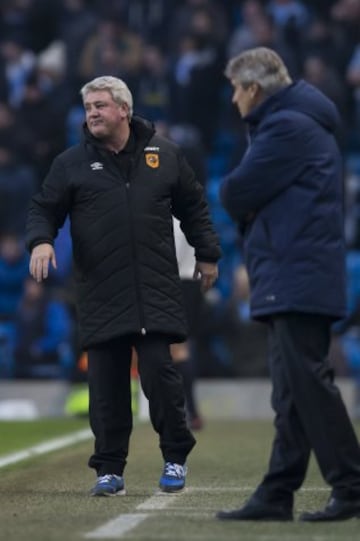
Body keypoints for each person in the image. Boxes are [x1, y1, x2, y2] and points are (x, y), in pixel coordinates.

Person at [26, 75, 221, 497]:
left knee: (159, 375)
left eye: (100, 105)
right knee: (106, 385)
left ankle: (174, 456)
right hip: (100, 291)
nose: (92, 113)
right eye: (88, 106)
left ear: (124, 110)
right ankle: (109, 470)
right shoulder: (70, 164)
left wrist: (208, 253)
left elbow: (194, 206)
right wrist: (41, 241)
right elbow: (43, 208)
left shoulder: (165, 155)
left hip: (155, 287)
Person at [216, 47, 360, 522]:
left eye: (237, 89)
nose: (233, 98)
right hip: (293, 270)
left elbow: (235, 191)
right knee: (291, 391)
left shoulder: (287, 127)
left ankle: (352, 484)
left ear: (254, 90)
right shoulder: (296, 122)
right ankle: (278, 491)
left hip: (296, 270)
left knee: (308, 386)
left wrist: (247, 203)